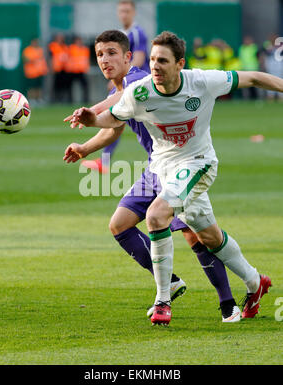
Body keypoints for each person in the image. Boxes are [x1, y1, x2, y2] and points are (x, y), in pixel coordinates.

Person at [68, 31, 280, 326]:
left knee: (158, 217)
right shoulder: (141, 92)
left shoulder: (202, 81)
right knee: (209, 236)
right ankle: (256, 282)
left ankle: (165, 299)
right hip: (159, 167)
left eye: (162, 61)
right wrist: (90, 122)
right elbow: (114, 119)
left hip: (197, 164)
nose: (155, 66)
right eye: (153, 59)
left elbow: (255, 78)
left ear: (180, 64)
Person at [81, 0, 150, 174]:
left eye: (127, 11)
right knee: (117, 119)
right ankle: (104, 161)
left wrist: (117, 81)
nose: (123, 15)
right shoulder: (121, 34)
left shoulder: (137, 33)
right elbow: (112, 125)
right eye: (121, 11)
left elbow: (140, 60)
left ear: (133, 12)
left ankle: (104, 161)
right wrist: (84, 148)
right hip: (162, 163)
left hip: (143, 87)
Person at [22, 38, 48, 105]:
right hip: (31, 73)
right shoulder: (28, 50)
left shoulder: (40, 50)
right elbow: (25, 59)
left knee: (39, 87)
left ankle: (39, 99)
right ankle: (32, 100)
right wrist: (33, 59)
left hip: (40, 72)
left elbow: (43, 60)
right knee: (31, 88)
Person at [66, 36, 90, 104]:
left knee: (85, 85)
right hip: (72, 70)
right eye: (78, 41)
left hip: (81, 70)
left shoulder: (85, 49)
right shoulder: (71, 48)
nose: (79, 42)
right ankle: (70, 101)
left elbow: (86, 59)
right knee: (70, 86)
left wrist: (86, 68)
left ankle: (85, 100)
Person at [48, 33, 69, 103]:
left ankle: (63, 99)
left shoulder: (65, 47)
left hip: (64, 68)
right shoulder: (53, 46)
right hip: (56, 69)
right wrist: (51, 67)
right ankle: (55, 99)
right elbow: (50, 57)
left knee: (64, 85)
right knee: (56, 85)